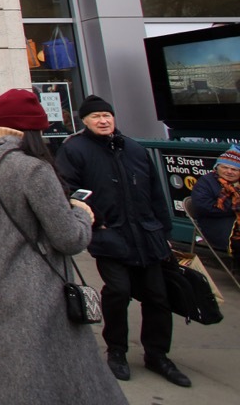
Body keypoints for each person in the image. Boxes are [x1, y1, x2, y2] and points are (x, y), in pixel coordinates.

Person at [0, 89, 126, 405]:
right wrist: (81, 214)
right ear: (35, 128)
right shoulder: (33, 169)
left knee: (22, 372)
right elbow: (68, 238)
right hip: (44, 289)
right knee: (67, 375)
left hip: (2, 284)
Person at [55, 95, 191, 388]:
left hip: (147, 235)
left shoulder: (135, 149)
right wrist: (96, 220)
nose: (103, 120)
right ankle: (116, 350)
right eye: (95, 117)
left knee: (158, 296)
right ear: (84, 121)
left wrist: (165, 233)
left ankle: (157, 354)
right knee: (118, 292)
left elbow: (156, 193)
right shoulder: (74, 150)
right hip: (109, 236)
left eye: (107, 115)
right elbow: (69, 189)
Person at [188, 144, 240, 271]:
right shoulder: (206, 182)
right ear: (217, 167)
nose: (229, 171)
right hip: (215, 223)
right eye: (225, 167)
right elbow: (203, 206)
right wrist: (232, 208)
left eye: (234, 169)